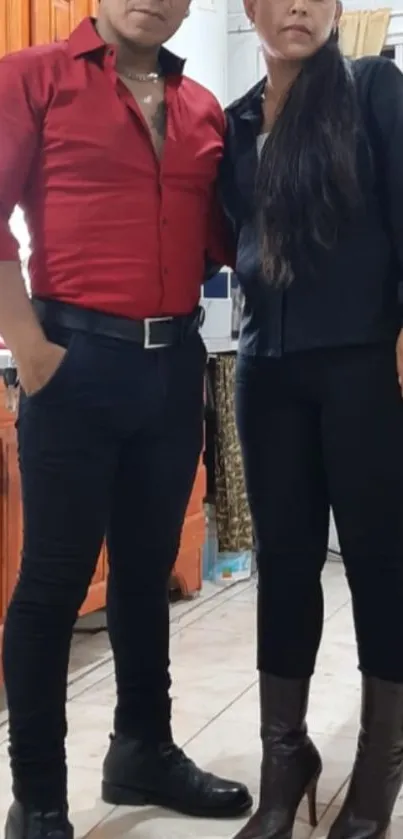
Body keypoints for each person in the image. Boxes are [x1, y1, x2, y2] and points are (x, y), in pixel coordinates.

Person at [0, 3, 253, 838]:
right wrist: (32, 350)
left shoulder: (202, 108)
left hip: (172, 364)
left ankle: (140, 748)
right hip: (75, 361)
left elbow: (227, 234)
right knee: (51, 583)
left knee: (147, 579)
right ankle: (37, 797)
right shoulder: (32, 78)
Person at [219, 0, 403, 837]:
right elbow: (235, 242)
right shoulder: (233, 125)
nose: (296, 6)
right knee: (284, 566)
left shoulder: (372, 91)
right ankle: (282, 758)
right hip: (266, 373)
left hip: (363, 368)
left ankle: (381, 760)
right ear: (250, 7)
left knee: (378, 561)